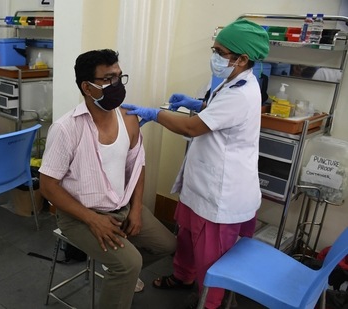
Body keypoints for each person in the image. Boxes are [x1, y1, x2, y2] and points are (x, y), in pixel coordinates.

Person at [121, 19, 270, 309]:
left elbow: (193, 129)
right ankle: (183, 277)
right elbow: (214, 112)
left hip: (220, 196)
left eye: (220, 52)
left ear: (242, 59)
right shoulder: (232, 81)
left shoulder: (242, 93)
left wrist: (155, 114)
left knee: (210, 257)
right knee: (187, 238)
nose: (214, 56)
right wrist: (195, 103)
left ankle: (210, 302)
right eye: (214, 49)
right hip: (201, 185)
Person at [39, 49, 176, 309]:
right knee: (130, 263)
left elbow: (138, 166)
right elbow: (47, 186)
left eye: (119, 77)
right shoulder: (66, 129)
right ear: (87, 88)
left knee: (167, 244)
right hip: (80, 215)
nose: (116, 85)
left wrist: (136, 210)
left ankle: (119, 273)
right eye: (108, 79)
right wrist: (93, 220)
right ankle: (123, 271)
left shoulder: (129, 118)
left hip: (121, 206)